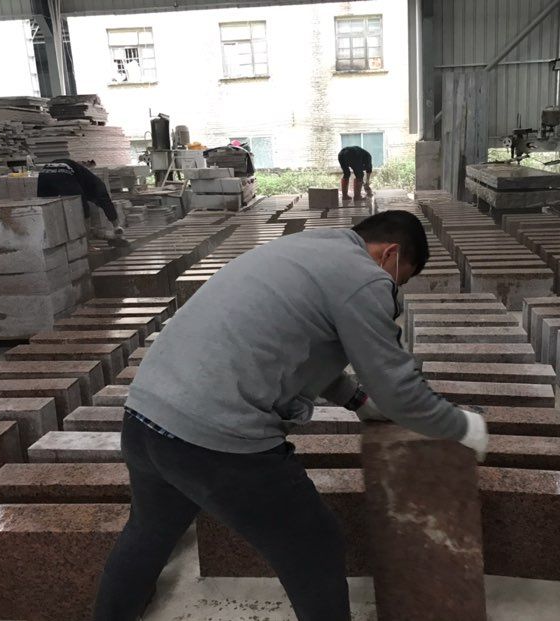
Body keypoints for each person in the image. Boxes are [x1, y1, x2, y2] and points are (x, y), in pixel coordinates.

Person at [93, 210, 489, 621]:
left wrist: (356, 400)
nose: (393, 289)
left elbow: (294, 344)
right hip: (214, 438)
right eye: (399, 280)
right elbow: (397, 391)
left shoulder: (304, 249)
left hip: (145, 415)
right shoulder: (364, 276)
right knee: (313, 545)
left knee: (150, 531)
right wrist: (465, 428)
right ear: (390, 253)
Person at [37, 158, 124, 239]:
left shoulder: (84, 178)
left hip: (45, 172)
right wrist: (116, 226)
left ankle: (45, 236)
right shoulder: (98, 185)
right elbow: (106, 203)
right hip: (64, 172)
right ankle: (87, 244)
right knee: (82, 207)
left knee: (44, 207)